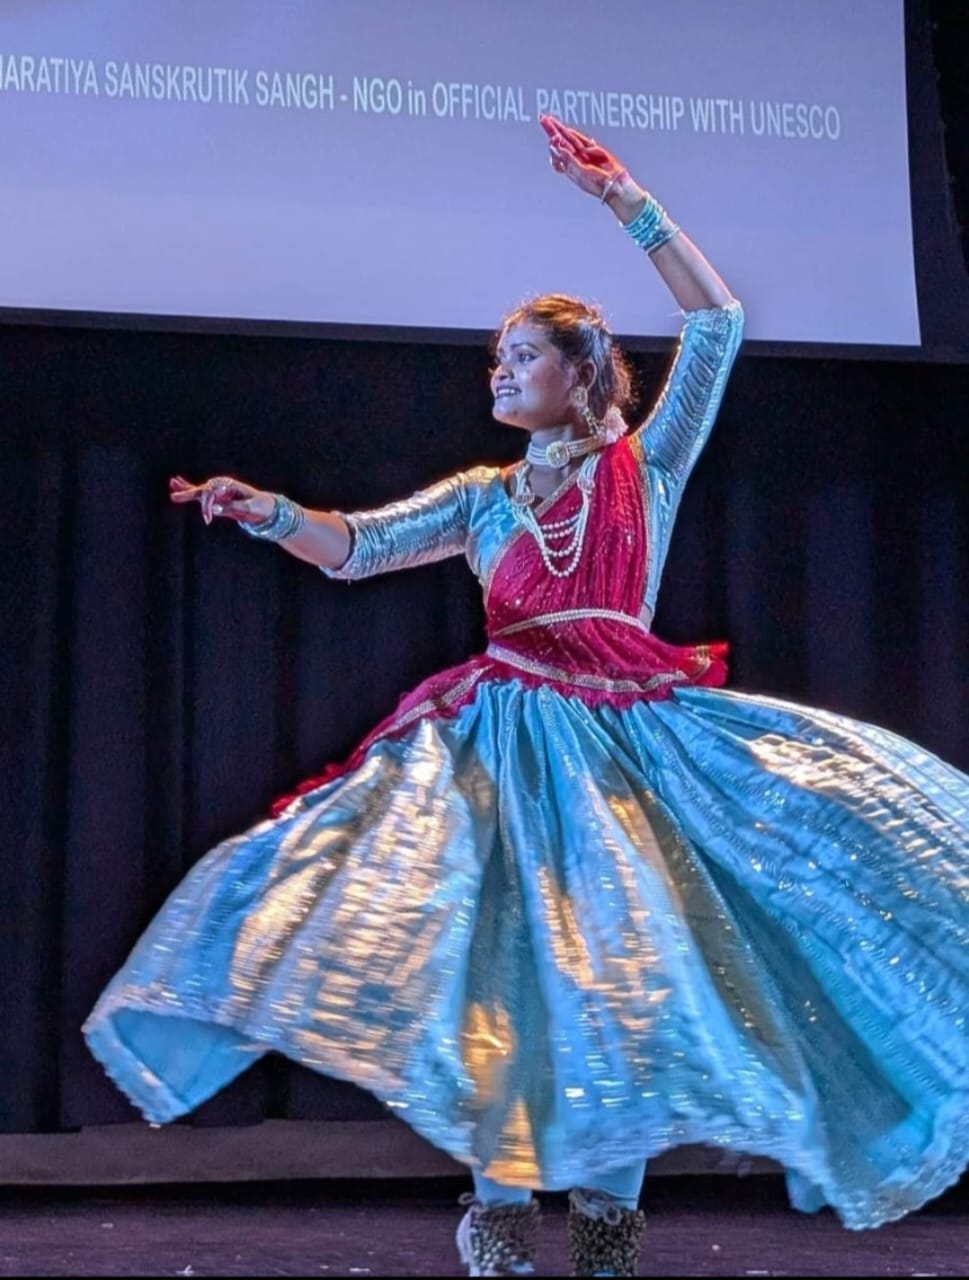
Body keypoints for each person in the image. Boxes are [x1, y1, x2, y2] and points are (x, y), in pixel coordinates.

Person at [83, 114, 969, 1278]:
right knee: (509, 967)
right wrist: (271, 512)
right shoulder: (484, 495)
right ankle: (498, 1215)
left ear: (581, 370)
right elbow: (355, 546)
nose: (497, 370)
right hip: (505, 745)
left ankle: (606, 1225)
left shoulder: (644, 465)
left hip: (631, 746)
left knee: (626, 979)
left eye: (520, 354)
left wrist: (625, 200)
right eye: (496, 358)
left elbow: (718, 322)